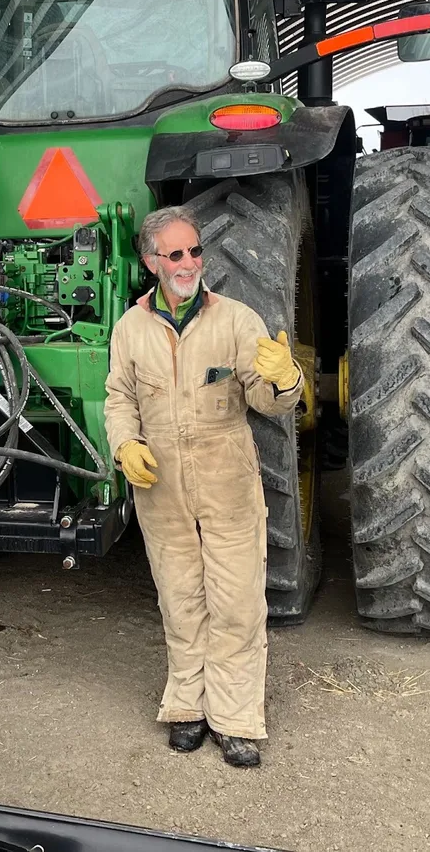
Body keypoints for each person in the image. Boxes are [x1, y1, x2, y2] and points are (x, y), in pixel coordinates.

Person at [103, 205, 303, 768]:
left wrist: (285, 378)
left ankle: (236, 719)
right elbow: (119, 398)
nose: (189, 262)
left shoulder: (236, 320)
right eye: (175, 254)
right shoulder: (130, 328)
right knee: (180, 601)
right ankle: (188, 707)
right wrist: (125, 445)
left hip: (227, 482)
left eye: (195, 250)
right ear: (151, 263)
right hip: (160, 485)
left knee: (237, 602)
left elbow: (268, 400)